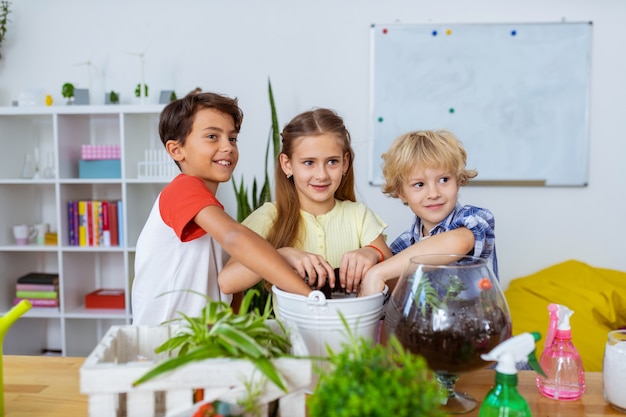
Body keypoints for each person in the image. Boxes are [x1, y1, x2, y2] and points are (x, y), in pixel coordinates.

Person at [131, 92, 313, 326]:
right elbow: (235, 237)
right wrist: (311, 297)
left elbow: (228, 291)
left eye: (232, 138)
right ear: (176, 150)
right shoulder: (182, 190)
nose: (227, 146)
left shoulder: (212, 214)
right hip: (163, 343)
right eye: (212, 136)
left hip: (200, 343)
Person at [218, 108, 392, 295]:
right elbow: (228, 282)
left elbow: (399, 282)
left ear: (345, 162)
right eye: (309, 162)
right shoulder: (269, 217)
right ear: (287, 164)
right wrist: (280, 256)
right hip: (292, 326)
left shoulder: (360, 215)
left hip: (356, 324)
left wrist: (374, 253)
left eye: (332, 161)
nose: (321, 175)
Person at [360, 129, 497, 296]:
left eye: (444, 180)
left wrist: (378, 272)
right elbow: (397, 297)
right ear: (402, 193)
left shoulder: (474, 219)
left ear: (458, 181)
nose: (433, 193)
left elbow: (458, 242)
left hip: (474, 321)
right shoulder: (403, 245)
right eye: (419, 184)